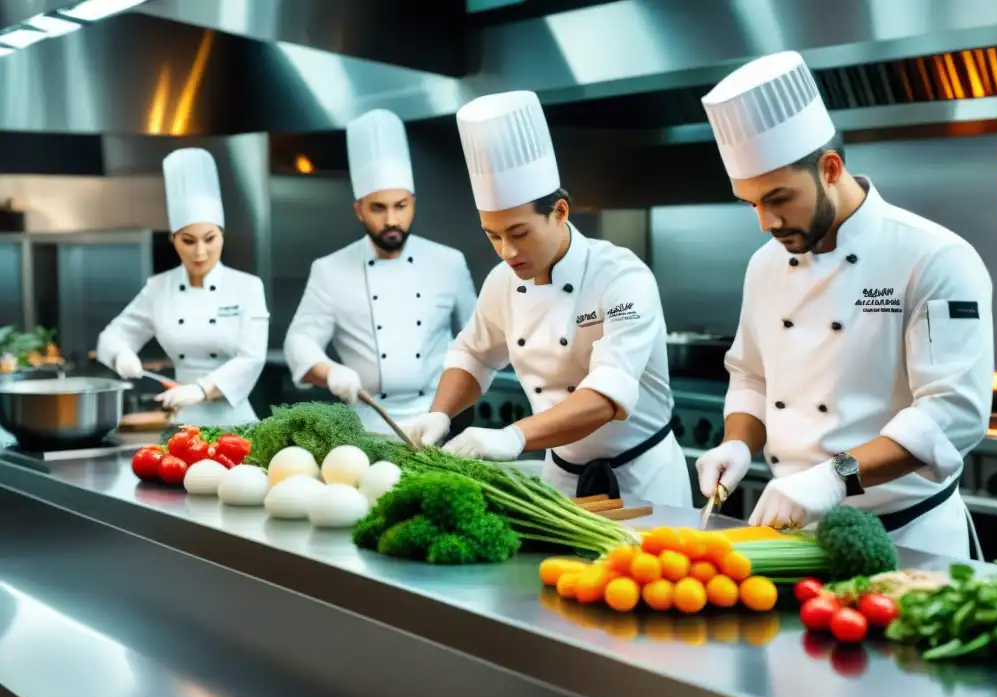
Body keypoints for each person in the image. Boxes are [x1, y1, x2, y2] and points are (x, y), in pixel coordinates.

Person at [695, 51, 993, 559]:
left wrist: (834, 479)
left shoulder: (934, 256)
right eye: (751, 204)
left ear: (830, 168)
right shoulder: (765, 265)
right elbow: (750, 376)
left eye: (778, 198)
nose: (765, 222)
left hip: (908, 539)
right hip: (796, 539)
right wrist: (737, 443)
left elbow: (952, 412)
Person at [402, 90, 692, 507]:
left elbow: (607, 395)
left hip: (643, 480)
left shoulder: (622, 277)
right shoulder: (502, 281)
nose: (506, 252)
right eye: (493, 235)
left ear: (559, 211)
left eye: (519, 233)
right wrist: (440, 414)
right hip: (559, 481)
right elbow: (474, 355)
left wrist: (514, 435)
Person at [284, 108, 477, 434]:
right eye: (378, 208)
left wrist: (451, 408)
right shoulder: (329, 270)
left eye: (401, 206)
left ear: (413, 202)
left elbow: (477, 342)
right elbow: (298, 340)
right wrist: (330, 372)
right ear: (359, 209)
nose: (391, 220)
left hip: (437, 419)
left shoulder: (449, 262)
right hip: (366, 426)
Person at [97, 148, 270, 426]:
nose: (200, 252)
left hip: (237, 422)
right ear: (174, 239)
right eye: (188, 241)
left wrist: (201, 389)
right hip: (181, 422)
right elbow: (112, 336)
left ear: (222, 236)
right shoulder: (159, 288)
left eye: (210, 238)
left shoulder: (247, 287)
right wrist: (122, 354)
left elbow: (252, 358)